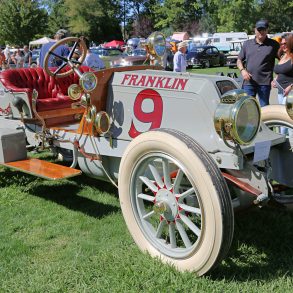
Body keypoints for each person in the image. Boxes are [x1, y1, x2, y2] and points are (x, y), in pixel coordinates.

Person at [237, 19, 280, 107]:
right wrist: (242, 71)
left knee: (264, 107)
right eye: (259, 30)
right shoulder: (247, 44)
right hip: (248, 82)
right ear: (255, 30)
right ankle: (251, 121)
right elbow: (239, 60)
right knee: (248, 107)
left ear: (267, 30)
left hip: (265, 82)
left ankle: (263, 121)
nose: (261, 32)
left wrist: (278, 76)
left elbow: (283, 60)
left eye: (263, 29)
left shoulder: (274, 44)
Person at [272, 34, 293, 105]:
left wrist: (291, 87)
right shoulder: (283, 56)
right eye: (281, 44)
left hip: (290, 92)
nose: (283, 46)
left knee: (286, 113)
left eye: (285, 43)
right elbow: (280, 72)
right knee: (282, 113)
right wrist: (275, 80)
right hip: (281, 92)